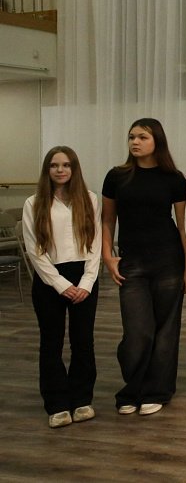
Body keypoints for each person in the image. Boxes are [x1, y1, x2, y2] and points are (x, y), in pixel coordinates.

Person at [102, 118, 186, 416]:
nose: (135, 142)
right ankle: (133, 388)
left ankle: (158, 390)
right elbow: (107, 220)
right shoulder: (116, 176)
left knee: (166, 331)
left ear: (157, 141)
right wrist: (107, 256)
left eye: (142, 137)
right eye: (132, 137)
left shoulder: (174, 178)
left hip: (168, 260)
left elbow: (183, 226)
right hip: (132, 262)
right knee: (137, 332)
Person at [22, 147, 101, 428]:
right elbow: (34, 249)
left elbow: (95, 244)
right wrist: (60, 284)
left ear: (74, 169)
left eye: (66, 165)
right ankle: (56, 404)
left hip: (84, 278)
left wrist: (87, 282)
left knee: (83, 341)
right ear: (47, 170)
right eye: (54, 165)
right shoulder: (33, 203)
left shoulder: (89, 199)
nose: (60, 170)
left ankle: (82, 399)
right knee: (51, 342)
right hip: (49, 280)